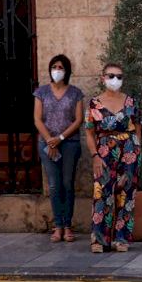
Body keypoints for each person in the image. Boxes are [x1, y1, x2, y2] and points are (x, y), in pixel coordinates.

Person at [83, 63, 142, 253]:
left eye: (119, 76)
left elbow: (138, 128)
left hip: (129, 151)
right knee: (101, 193)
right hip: (104, 152)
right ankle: (99, 240)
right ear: (103, 78)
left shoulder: (131, 102)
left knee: (127, 194)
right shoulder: (94, 104)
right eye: (111, 75)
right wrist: (95, 155)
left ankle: (121, 238)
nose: (115, 79)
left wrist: (136, 150)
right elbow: (89, 133)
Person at [33, 54, 85, 243]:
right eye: (54, 67)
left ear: (67, 70)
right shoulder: (41, 92)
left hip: (69, 143)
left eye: (61, 67)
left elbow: (78, 120)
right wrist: (50, 141)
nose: (57, 70)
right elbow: (37, 119)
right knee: (54, 185)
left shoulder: (75, 93)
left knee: (67, 183)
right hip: (47, 144)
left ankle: (68, 225)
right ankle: (58, 226)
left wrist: (60, 138)